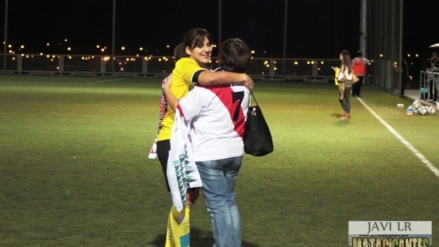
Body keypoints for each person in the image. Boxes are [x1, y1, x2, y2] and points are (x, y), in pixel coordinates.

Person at [156, 28, 254, 247]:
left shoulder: (208, 78)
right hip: (176, 139)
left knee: (199, 200)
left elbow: (208, 82)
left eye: (209, 44)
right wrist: (242, 76)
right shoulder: (187, 66)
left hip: (201, 145)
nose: (207, 48)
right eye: (201, 45)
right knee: (190, 199)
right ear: (188, 49)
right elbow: (208, 80)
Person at [333, 50, 354, 121]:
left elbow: (343, 75)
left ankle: (347, 114)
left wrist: (337, 72)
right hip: (349, 83)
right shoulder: (348, 64)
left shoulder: (344, 65)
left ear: (344, 56)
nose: (340, 56)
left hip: (345, 83)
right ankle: (346, 113)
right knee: (346, 99)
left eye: (341, 55)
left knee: (341, 98)